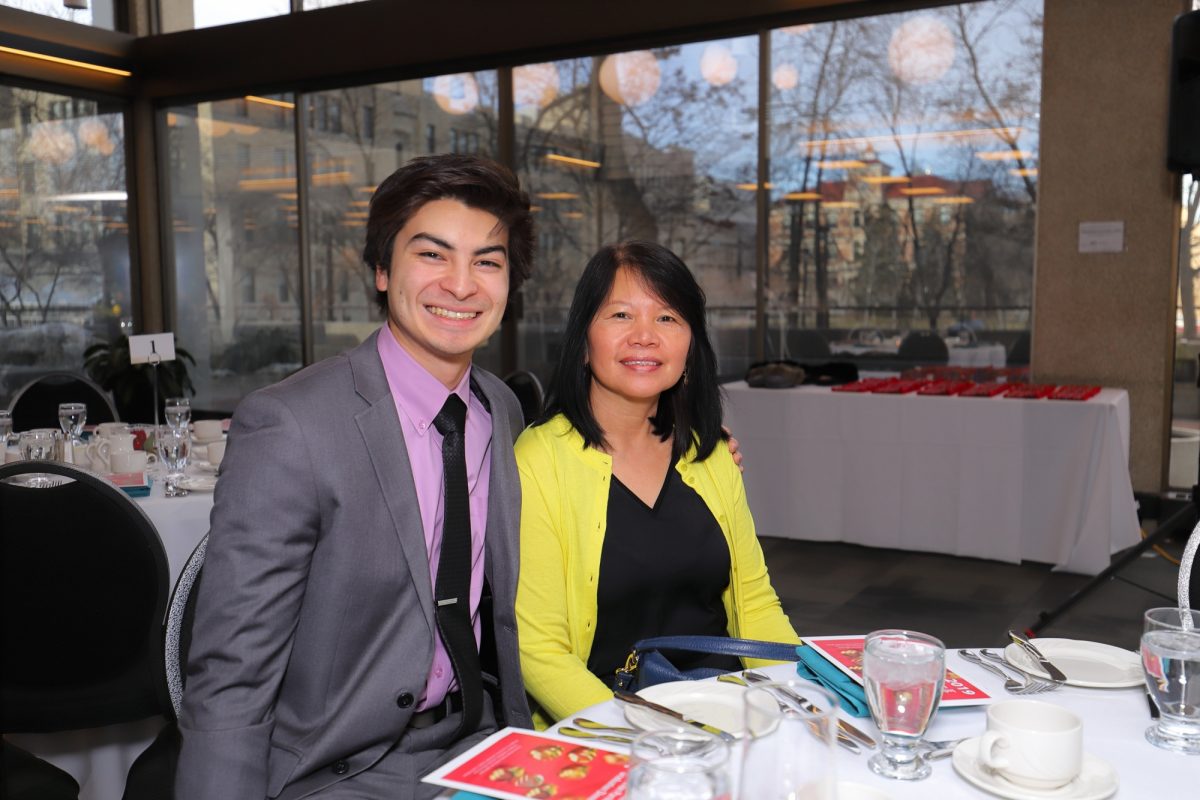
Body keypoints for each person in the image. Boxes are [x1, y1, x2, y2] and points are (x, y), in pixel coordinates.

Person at [176, 154, 535, 799]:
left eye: (488, 261)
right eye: (432, 255)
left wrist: (684, 435)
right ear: (381, 268)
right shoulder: (292, 424)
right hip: (342, 767)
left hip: (482, 741)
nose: (461, 285)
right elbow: (233, 671)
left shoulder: (499, 409)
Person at [514, 241, 799, 726]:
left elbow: (754, 605)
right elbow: (539, 649)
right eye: (621, 315)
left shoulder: (708, 453)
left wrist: (800, 705)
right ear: (584, 341)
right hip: (609, 725)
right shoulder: (539, 460)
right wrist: (653, 736)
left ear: (690, 347)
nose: (645, 336)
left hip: (727, 711)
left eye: (667, 318)